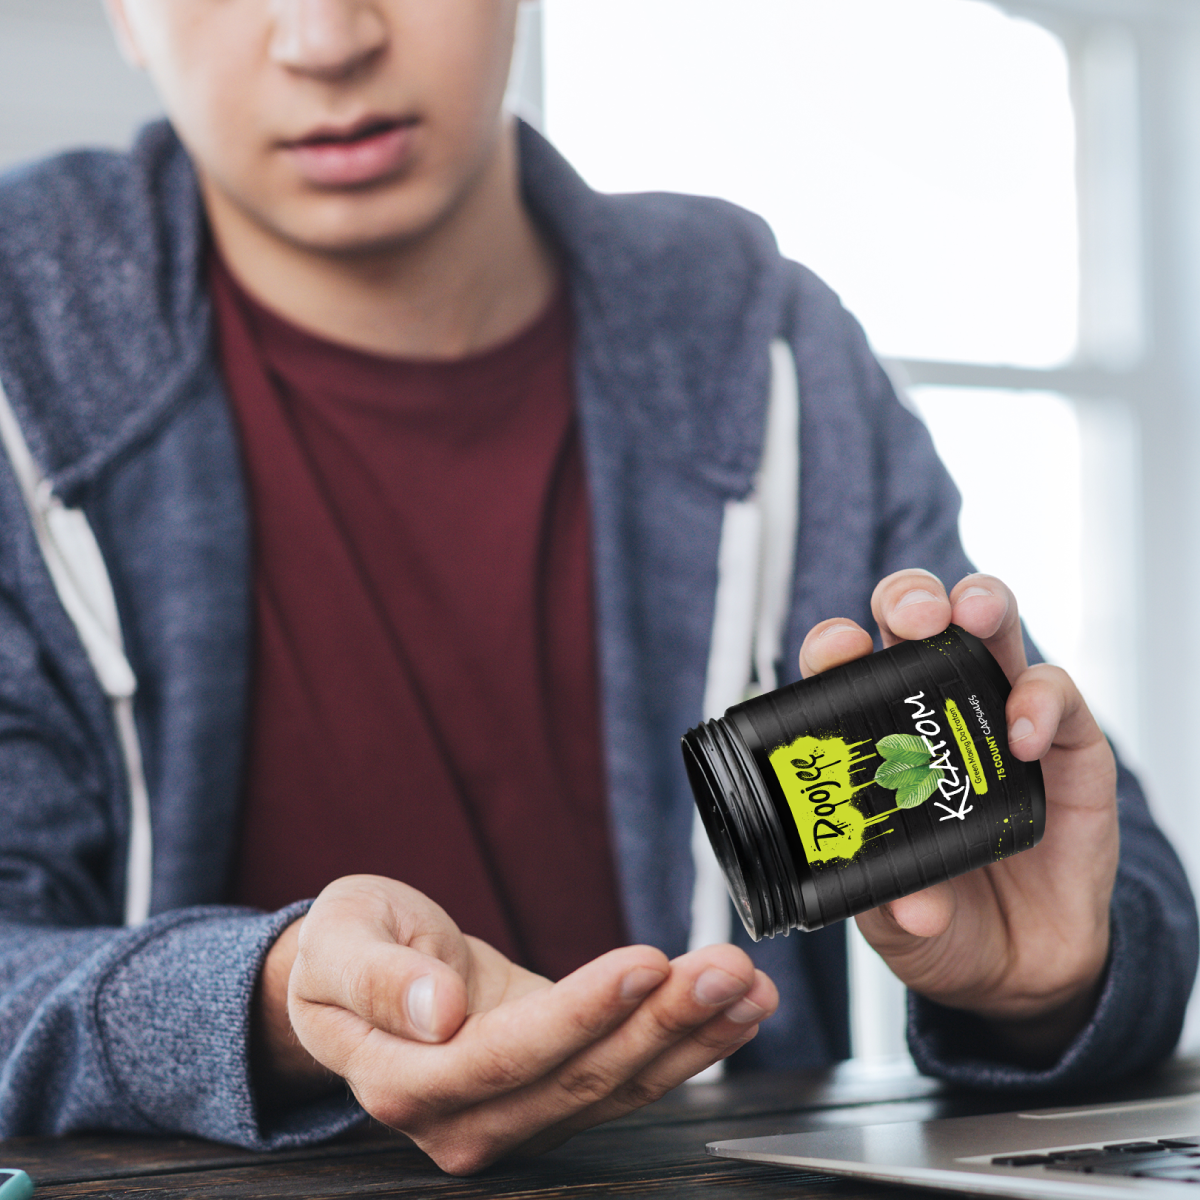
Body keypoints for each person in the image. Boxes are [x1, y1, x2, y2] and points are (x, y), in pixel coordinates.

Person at [0, 0, 1191, 1177]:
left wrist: (1053, 991)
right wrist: (261, 1002)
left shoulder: (763, 343)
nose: (325, 38)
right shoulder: (25, 345)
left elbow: (1109, 876)